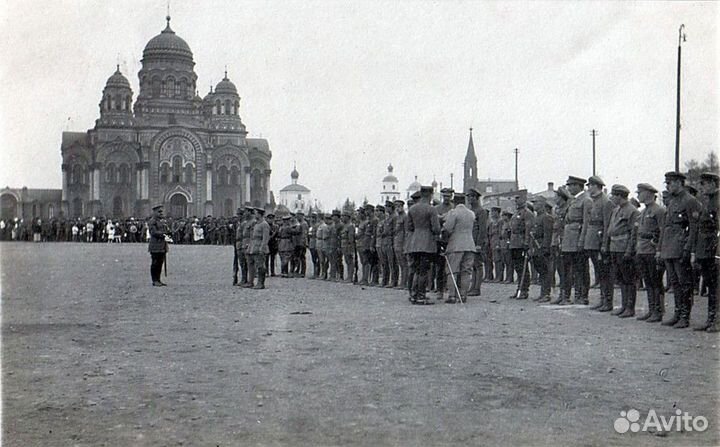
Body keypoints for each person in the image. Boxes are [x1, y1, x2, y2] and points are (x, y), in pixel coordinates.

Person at [659, 171, 702, 328]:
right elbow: (666, 226)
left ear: (679, 183)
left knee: (685, 283)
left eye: (670, 183)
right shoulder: (672, 201)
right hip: (670, 246)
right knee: (675, 283)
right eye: (667, 183)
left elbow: (694, 227)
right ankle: (677, 313)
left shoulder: (690, 201)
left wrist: (688, 249)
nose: (668, 186)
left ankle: (685, 316)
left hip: (681, 246)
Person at [603, 184, 639, 317]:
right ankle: (624, 306)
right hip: (615, 247)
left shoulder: (632, 211)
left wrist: (629, 250)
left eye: (614, 195)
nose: (612, 197)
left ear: (620, 196)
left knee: (628, 278)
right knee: (621, 278)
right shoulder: (616, 210)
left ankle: (630, 307)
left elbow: (633, 233)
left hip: (624, 248)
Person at [631, 183, 666, 322]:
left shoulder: (658, 211)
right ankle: (652, 309)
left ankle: (658, 311)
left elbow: (662, 231)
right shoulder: (644, 211)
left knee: (655, 281)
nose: (638, 195)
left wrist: (658, 249)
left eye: (640, 193)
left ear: (648, 193)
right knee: (648, 281)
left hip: (652, 250)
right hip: (643, 249)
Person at [583, 176, 615, 310]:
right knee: (599, 272)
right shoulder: (594, 201)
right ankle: (603, 299)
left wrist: (604, 244)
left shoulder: (605, 202)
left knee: (605, 272)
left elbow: (607, 224)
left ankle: (607, 301)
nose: (588, 188)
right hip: (592, 240)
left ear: (597, 186)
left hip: (599, 241)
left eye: (590, 185)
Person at [693, 172, 719, 332]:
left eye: (704, 184)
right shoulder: (708, 201)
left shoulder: (717, 201)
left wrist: (718, 253)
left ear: (713, 184)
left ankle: (716, 320)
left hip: (714, 251)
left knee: (717, 288)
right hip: (706, 250)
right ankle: (710, 319)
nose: (701, 187)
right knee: (711, 287)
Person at [406, 186, 441, 305]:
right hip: (427, 243)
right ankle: (421, 296)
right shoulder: (431, 209)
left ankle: (413, 295)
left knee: (416, 270)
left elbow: (409, 227)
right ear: (430, 195)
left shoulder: (412, 209)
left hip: (414, 242)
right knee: (424, 271)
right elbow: (436, 228)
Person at [561, 176, 592, 304]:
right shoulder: (573, 200)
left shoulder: (586, 200)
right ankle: (574, 294)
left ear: (578, 186)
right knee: (570, 269)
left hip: (577, 238)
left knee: (581, 269)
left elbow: (586, 222)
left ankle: (582, 295)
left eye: (571, 185)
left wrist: (582, 240)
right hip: (569, 239)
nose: (568, 188)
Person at [441, 193, 476, 303]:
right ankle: (463, 295)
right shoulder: (471, 213)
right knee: (466, 271)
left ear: (454, 202)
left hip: (455, 245)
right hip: (470, 245)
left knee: (452, 271)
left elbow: (447, 228)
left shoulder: (453, 213)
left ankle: (452, 295)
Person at [508, 194, 534, 299]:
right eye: (515, 199)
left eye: (518, 199)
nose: (516, 201)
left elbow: (528, 229)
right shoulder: (516, 213)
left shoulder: (527, 213)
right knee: (517, 267)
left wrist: (527, 242)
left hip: (521, 242)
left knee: (523, 268)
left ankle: (524, 290)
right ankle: (519, 288)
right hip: (514, 243)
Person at [530, 197, 554, 302]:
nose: (534, 205)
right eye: (534, 203)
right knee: (540, 271)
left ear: (543, 205)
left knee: (545, 271)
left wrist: (545, 248)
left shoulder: (546, 218)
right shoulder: (537, 217)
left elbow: (547, 235)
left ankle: (546, 294)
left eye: (536, 203)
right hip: (536, 247)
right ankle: (542, 293)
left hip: (542, 248)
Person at [467, 187, 489, 294]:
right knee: (473, 265)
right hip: (470, 241)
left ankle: (477, 288)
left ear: (476, 198)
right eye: (468, 197)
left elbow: (482, 229)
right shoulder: (470, 211)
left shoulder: (481, 211)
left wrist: (479, 244)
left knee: (478, 265)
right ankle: (472, 287)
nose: (469, 199)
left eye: (471, 197)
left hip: (477, 242)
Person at [247, 208, 271, 289]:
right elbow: (252, 237)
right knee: (252, 264)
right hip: (253, 247)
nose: (255, 215)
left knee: (260, 266)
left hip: (260, 247)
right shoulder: (256, 224)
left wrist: (262, 248)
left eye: (256, 213)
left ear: (260, 214)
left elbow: (265, 238)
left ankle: (261, 283)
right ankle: (251, 282)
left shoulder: (264, 224)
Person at [148, 204, 169, 286]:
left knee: (160, 263)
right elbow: (153, 232)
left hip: (162, 245)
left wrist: (168, 233)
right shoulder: (152, 221)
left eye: (162, 212)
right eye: (159, 212)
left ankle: (158, 280)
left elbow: (166, 230)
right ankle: (154, 280)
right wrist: (164, 234)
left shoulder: (162, 221)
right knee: (155, 263)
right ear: (154, 212)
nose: (161, 213)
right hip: (155, 245)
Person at [340, 211, 356, 283]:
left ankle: (350, 277)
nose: (342, 217)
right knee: (347, 261)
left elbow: (351, 238)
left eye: (343, 216)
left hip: (348, 245)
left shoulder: (350, 226)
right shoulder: (344, 226)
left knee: (350, 262)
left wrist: (351, 248)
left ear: (347, 217)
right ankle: (348, 276)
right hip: (344, 245)